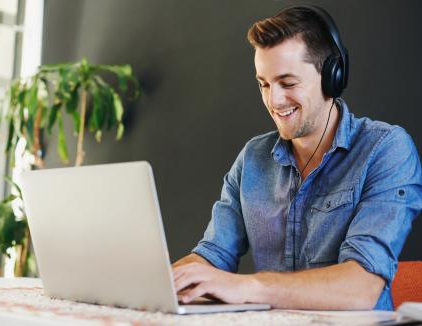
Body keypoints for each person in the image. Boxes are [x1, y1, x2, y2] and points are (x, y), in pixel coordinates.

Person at [173, 5, 422, 310]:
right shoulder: (253, 158)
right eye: (263, 84)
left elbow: (361, 287)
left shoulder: (386, 149)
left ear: (332, 76)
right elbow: (213, 255)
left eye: (288, 83)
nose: (273, 100)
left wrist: (248, 286)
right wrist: (164, 282)